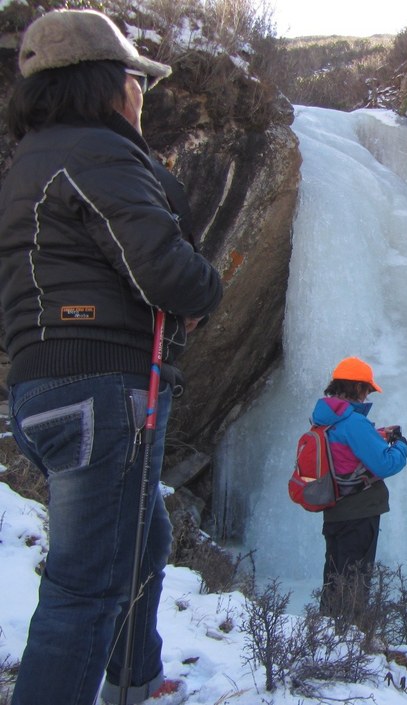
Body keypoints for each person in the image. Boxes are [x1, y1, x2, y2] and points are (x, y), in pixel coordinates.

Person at [0, 9, 222, 705]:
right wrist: (206, 286)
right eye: (136, 80)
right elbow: (164, 270)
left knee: (143, 541)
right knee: (86, 584)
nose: (141, 95)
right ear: (107, 83)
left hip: (42, 391)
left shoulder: (29, 162)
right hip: (102, 391)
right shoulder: (97, 151)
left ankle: (134, 676)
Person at [312, 357, 407, 619]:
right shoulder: (354, 423)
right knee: (355, 577)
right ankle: (349, 640)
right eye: (367, 389)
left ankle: (327, 633)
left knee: (335, 575)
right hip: (358, 512)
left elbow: (345, 452)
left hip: (335, 510)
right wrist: (400, 444)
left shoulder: (325, 419)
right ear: (357, 388)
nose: (368, 395)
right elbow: (385, 464)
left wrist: (375, 436)